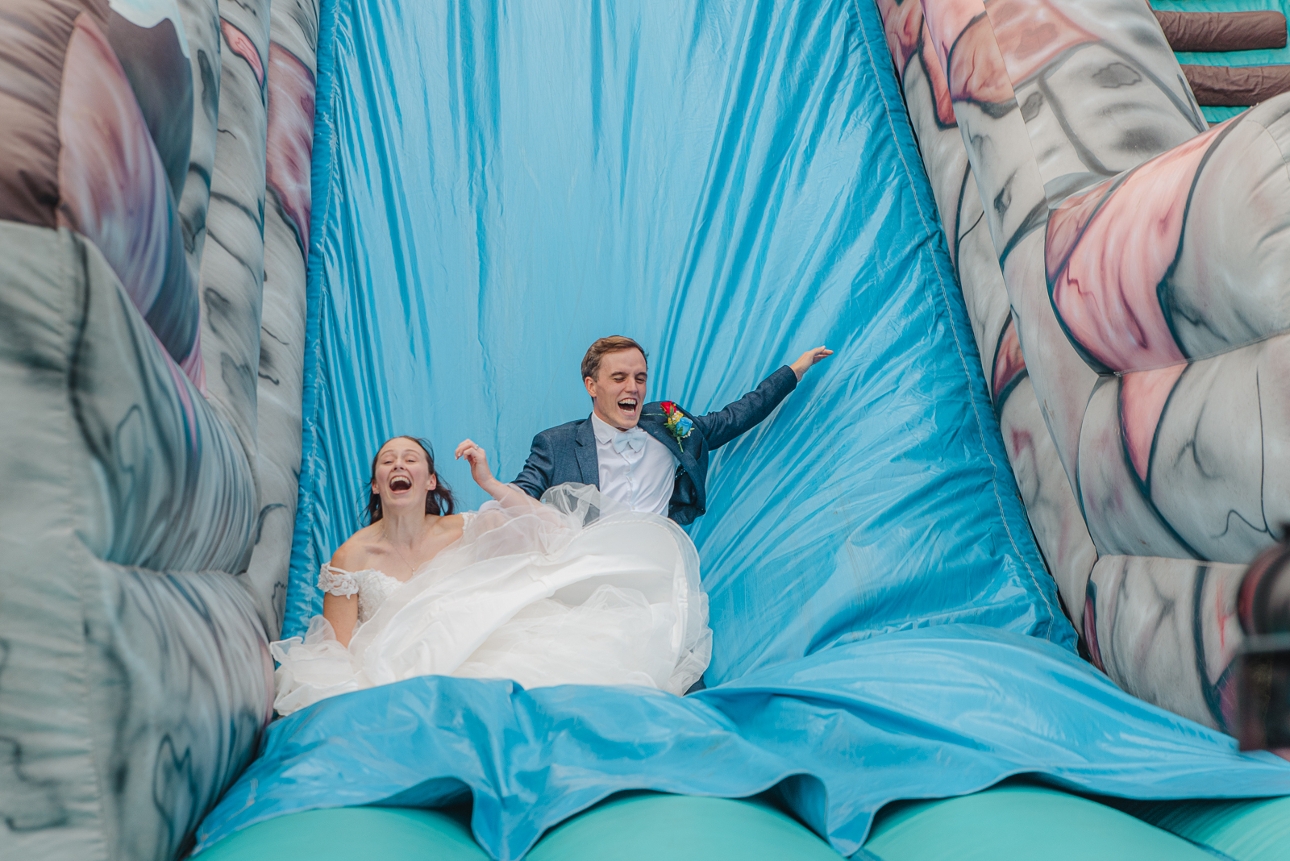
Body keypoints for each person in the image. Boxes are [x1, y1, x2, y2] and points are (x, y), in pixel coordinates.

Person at [270, 435, 709, 716]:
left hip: (475, 650)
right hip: (402, 669)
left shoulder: (463, 527)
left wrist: (491, 482)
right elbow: (337, 649)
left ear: (429, 481)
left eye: (411, 459)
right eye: (388, 461)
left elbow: (554, 530)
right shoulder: (351, 555)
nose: (399, 465)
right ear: (376, 484)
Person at [512, 337, 832, 524]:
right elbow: (518, 498)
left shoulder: (666, 423)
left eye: (640, 377)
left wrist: (795, 371)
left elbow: (734, 417)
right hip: (585, 581)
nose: (633, 387)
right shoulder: (556, 443)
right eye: (619, 378)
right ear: (591, 385)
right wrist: (486, 482)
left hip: (657, 578)